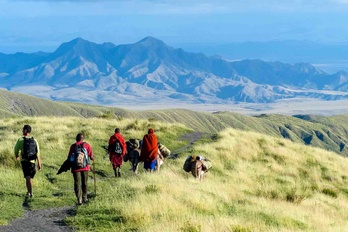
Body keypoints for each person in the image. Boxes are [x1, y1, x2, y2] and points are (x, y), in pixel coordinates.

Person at [14, 125, 42, 197]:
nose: (22, 131)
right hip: (32, 162)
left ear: (26, 131)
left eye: (23, 130)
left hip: (25, 161)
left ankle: (30, 193)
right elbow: (38, 152)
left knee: (27, 178)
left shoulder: (20, 140)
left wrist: (16, 155)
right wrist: (39, 163)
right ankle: (28, 191)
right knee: (29, 178)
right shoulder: (35, 140)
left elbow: (16, 149)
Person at [67, 133, 94, 205]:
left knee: (77, 183)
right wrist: (93, 157)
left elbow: (69, 157)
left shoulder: (73, 146)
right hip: (85, 167)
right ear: (82, 138)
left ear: (76, 138)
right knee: (84, 183)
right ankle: (85, 198)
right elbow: (91, 156)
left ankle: (79, 199)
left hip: (76, 168)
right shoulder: (87, 145)